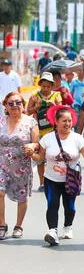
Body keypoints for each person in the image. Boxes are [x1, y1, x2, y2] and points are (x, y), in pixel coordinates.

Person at [31, 105, 84, 246]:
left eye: (69, 121)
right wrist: (31, 155)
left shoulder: (77, 138)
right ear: (56, 122)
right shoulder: (47, 138)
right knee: (52, 204)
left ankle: (68, 225)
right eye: (64, 121)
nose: (67, 124)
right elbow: (40, 157)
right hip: (51, 179)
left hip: (71, 179)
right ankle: (52, 231)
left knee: (69, 206)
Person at [0, 92, 39, 239]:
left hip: (21, 165)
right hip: (1, 163)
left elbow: (37, 143)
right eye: (11, 103)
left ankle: (18, 225)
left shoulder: (30, 122)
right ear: (5, 106)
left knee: (22, 196)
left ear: (23, 105)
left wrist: (32, 146)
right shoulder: (1, 121)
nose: (15, 106)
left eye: (18, 102)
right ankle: (2, 225)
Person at [26, 72, 62, 192]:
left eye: (48, 86)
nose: (45, 89)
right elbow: (28, 112)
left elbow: (62, 113)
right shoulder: (34, 96)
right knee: (41, 159)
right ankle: (42, 183)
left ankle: (53, 181)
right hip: (40, 132)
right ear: (40, 84)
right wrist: (37, 106)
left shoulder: (57, 95)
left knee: (54, 157)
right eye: (43, 86)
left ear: (52, 86)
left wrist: (54, 106)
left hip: (53, 131)